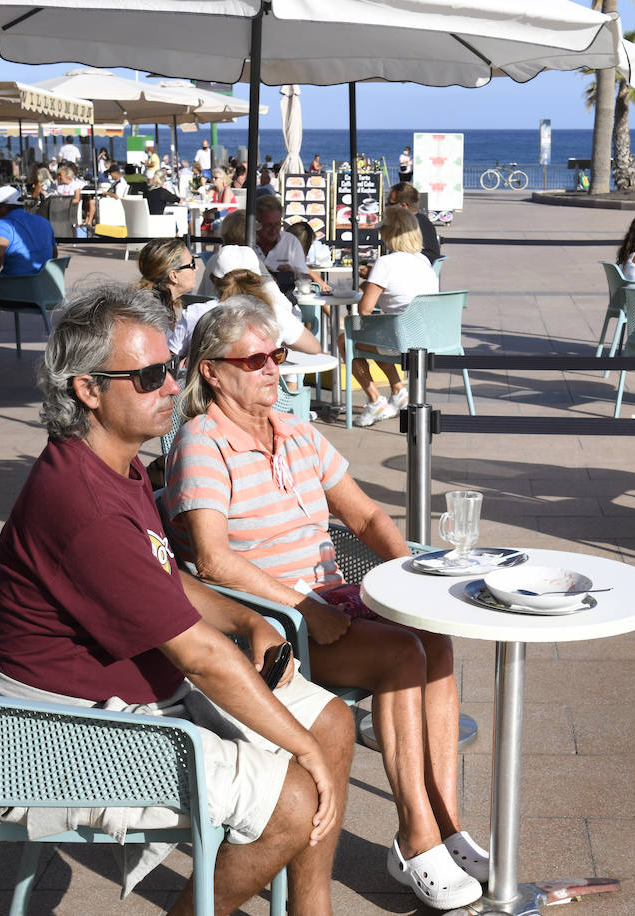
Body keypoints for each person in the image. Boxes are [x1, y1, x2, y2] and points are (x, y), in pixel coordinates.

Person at [0, 283, 352, 915]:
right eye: (150, 375)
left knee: (333, 722)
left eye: (171, 367)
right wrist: (301, 748)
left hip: (133, 693)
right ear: (88, 389)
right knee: (293, 798)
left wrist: (248, 618)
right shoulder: (88, 506)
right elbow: (202, 658)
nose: (171, 386)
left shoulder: (116, 460)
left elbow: (162, 575)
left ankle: (309, 908)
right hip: (58, 733)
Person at [160, 299, 486, 911]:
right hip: (271, 625)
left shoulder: (295, 431)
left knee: (434, 642)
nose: (271, 368)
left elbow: (364, 516)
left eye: (276, 354)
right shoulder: (202, 443)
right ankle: (416, 839)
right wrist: (305, 609)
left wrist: (409, 574)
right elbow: (212, 560)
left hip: (331, 601)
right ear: (211, 371)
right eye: (254, 359)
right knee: (400, 655)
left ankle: (446, 825)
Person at [349, 207, 438, 427]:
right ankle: (398, 390)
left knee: (347, 341)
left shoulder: (386, 263)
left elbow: (365, 309)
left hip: (401, 342)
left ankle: (375, 400)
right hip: (428, 338)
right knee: (376, 336)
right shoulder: (424, 262)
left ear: (389, 233)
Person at [183, 246, 320, 358]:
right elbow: (314, 347)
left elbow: (174, 357)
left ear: (214, 280)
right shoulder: (274, 313)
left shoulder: (195, 313)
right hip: (261, 382)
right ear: (259, 279)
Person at [0, 185, 58, 358]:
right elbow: (54, 255)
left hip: (18, 292)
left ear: (4, 207)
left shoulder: (4, 224)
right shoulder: (43, 222)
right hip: (46, 290)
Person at [136, 237, 201, 360]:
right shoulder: (151, 314)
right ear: (174, 276)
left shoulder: (165, 302)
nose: (196, 268)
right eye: (192, 264)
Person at [253, 195, 331, 293]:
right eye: (268, 225)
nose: (273, 230)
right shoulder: (247, 243)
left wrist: (293, 273)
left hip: (284, 298)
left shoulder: (290, 242)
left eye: (277, 224)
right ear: (257, 224)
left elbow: (303, 276)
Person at [386, 182, 440, 263]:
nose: (386, 207)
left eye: (390, 204)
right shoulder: (423, 221)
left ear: (403, 206)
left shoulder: (408, 226)